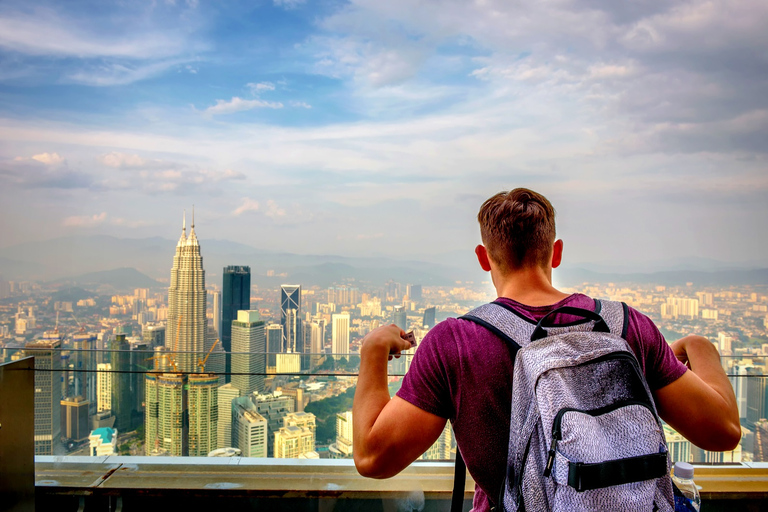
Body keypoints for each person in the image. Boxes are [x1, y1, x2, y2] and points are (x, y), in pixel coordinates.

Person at [353, 188, 741, 511]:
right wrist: (700, 348)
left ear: (484, 258)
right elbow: (723, 432)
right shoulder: (627, 327)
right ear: (555, 252)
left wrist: (373, 350)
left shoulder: (455, 343)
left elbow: (373, 457)